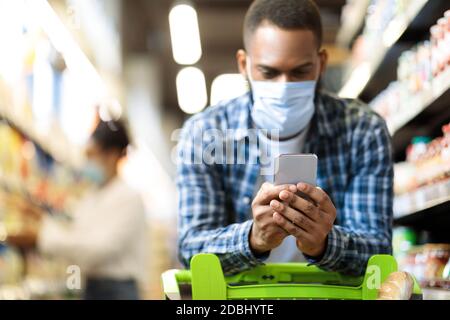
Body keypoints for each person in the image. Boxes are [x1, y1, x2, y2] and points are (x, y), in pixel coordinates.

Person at [177, 0, 393, 276]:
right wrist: (253, 239)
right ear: (244, 64)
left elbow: (379, 250)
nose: (284, 87)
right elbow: (191, 248)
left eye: (300, 71)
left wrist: (324, 244)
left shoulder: (363, 130)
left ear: (321, 63)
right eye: (268, 72)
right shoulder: (204, 134)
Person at [8, 120, 148, 300]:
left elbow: (97, 248)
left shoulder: (128, 199)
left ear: (111, 155)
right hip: (91, 286)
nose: (86, 162)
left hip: (118, 290)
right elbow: (74, 234)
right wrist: (41, 219)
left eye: (91, 155)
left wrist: (40, 237)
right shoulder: (91, 197)